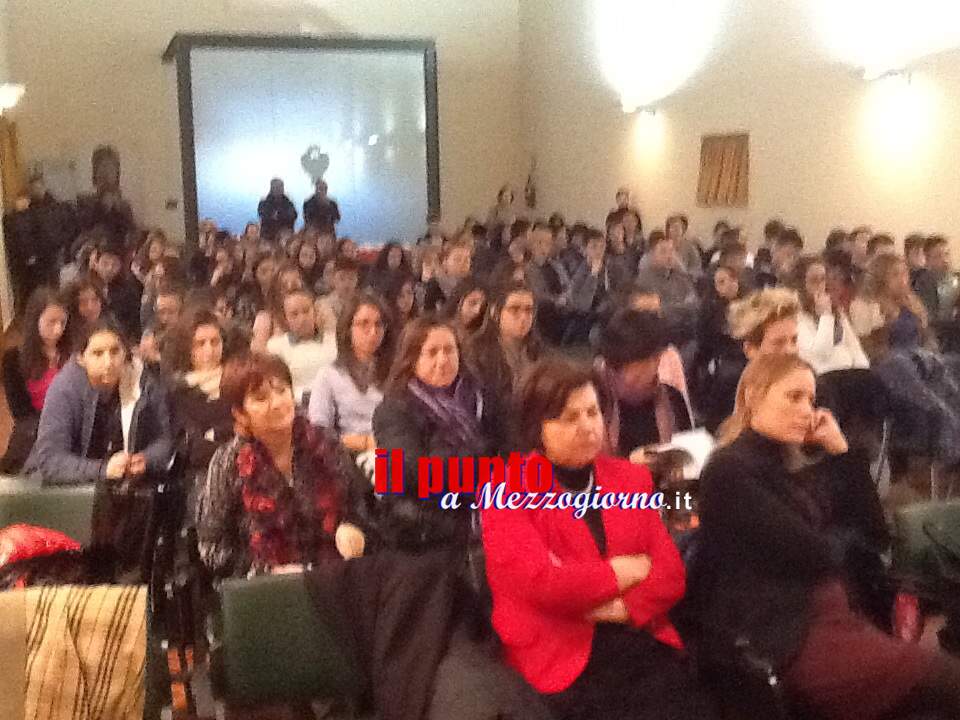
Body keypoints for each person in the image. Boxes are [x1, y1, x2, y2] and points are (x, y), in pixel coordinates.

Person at [690, 354, 960, 719]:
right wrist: (841, 532)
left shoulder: (789, 467)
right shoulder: (729, 471)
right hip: (789, 634)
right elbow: (815, 554)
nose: (807, 410)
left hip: (837, 616)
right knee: (943, 679)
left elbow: (875, 532)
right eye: (794, 397)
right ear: (753, 396)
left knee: (935, 686)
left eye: (811, 400)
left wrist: (841, 452)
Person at [481, 358, 719, 720]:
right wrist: (623, 571)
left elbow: (670, 574)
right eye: (569, 418)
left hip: (638, 633)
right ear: (536, 427)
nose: (587, 427)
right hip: (560, 656)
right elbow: (545, 584)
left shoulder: (629, 480)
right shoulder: (507, 491)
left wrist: (620, 608)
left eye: (592, 413)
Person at [195, 353, 365, 580]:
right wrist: (266, 572)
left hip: (330, 577)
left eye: (282, 391)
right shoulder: (228, 462)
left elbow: (359, 508)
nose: (277, 403)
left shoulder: (326, 443)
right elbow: (211, 547)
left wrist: (352, 528)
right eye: (261, 398)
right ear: (240, 414)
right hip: (265, 588)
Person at [24, 318, 172, 575]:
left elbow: (165, 440)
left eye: (115, 351)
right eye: (98, 353)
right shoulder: (64, 389)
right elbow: (50, 460)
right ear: (81, 358)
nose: (108, 361)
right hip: (70, 492)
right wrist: (103, 469)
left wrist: (145, 459)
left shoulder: (141, 379)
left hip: (122, 492)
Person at [372, 317, 504, 552]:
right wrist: (481, 460)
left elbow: (509, 452)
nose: (442, 360)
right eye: (432, 352)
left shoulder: (482, 397)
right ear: (413, 359)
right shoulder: (393, 410)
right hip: (428, 525)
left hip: (491, 509)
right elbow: (418, 473)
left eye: (449, 350)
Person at [596, 310, 693, 457]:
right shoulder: (595, 399)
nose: (628, 378)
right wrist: (631, 466)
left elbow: (686, 453)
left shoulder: (672, 398)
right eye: (620, 370)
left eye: (656, 358)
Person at [309, 294, 393, 453]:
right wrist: (364, 442)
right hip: (350, 453)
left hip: (393, 449)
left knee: (433, 464)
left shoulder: (395, 372)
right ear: (347, 329)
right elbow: (318, 431)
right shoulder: (328, 375)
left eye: (379, 324)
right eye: (364, 324)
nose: (373, 332)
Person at [0, 288, 69, 472]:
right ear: (35, 320)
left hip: (71, 426)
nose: (58, 329)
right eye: (51, 322)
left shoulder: (71, 352)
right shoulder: (14, 359)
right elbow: (20, 412)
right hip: (36, 429)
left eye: (62, 322)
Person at [162, 307, 233, 485]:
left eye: (215, 342)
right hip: (197, 478)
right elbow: (193, 449)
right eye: (200, 344)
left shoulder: (236, 382)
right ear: (187, 348)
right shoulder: (176, 392)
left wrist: (215, 433)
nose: (209, 350)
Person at [466, 281, 542, 412]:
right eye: (514, 309)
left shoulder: (539, 352)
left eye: (528, 310)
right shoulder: (476, 354)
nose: (523, 317)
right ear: (494, 312)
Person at [792, 255, 869, 374]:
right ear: (801, 285)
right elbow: (820, 354)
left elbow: (855, 348)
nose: (820, 286)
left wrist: (862, 373)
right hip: (824, 377)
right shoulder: (796, 317)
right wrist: (826, 315)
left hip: (849, 374)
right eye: (814, 280)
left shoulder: (837, 312)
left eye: (823, 279)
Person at [849, 254, 929, 358]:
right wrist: (886, 324)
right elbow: (865, 346)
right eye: (895, 275)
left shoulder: (911, 301)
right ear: (880, 278)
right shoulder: (866, 305)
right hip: (889, 359)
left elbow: (924, 334)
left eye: (904, 274)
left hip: (917, 355)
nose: (902, 280)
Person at [265, 288, 337, 403]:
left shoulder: (334, 341)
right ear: (286, 319)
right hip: (299, 405)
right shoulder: (276, 347)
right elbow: (278, 388)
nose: (302, 319)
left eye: (306, 311)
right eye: (294, 314)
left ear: (315, 312)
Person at [443, 278, 488, 342]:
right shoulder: (439, 331)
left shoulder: (479, 340)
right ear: (459, 301)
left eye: (482, 308)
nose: (477, 311)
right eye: (472, 303)